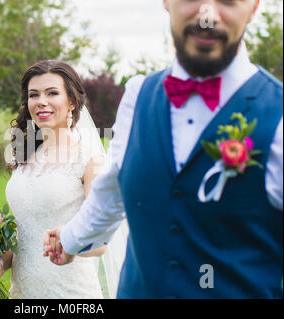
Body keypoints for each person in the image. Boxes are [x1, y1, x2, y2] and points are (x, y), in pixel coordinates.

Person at [43, 0, 283, 298]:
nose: (207, 14)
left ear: (254, 6)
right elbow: (112, 190)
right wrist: (69, 240)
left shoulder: (279, 115)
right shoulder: (137, 96)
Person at [0, 60, 109, 298]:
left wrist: (68, 242)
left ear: (72, 102)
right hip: (22, 293)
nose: (41, 101)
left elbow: (100, 241)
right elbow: (24, 234)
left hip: (70, 293)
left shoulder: (91, 161)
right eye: (33, 94)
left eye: (52, 93)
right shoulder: (26, 155)